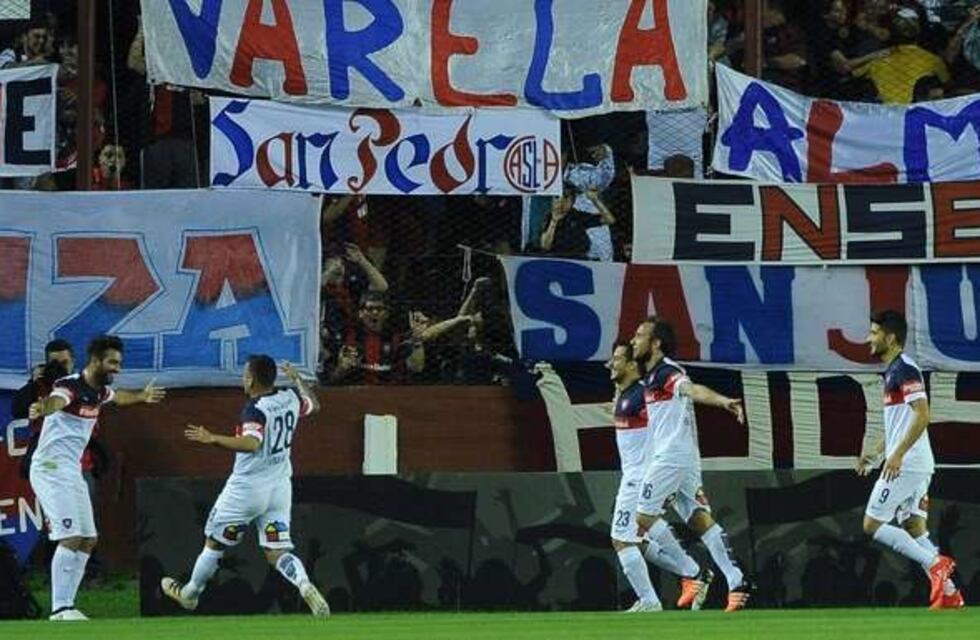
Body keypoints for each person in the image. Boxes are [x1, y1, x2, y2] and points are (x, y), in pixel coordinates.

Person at [161, 356, 329, 617]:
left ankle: (190, 594)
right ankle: (304, 583)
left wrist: (212, 438)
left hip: (246, 491)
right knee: (277, 550)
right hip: (279, 489)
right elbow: (314, 405)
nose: (242, 379)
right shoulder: (290, 397)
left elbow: (252, 443)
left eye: (244, 375)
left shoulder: (254, 409)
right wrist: (297, 378)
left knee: (214, 543)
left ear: (251, 379)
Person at [27, 335, 166, 621]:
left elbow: (119, 398)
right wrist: (43, 407)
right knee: (71, 536)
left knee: (88, 539)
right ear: (96, 361)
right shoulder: (70, 386)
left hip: (71, 471)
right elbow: (57, 400)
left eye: (119, 363)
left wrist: (141, 397)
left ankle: (68, 606)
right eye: (112, 362)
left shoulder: (101, 392)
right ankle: (60, 608)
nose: (117, 368)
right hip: (50, 469)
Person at [630, 317, 752, 612]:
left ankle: (691, 573)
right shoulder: (651, 377)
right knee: (699, 519)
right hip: (682, 456)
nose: (634, 340)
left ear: (656, 343)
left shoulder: (667, 372)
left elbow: (692, 389)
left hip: (671, 457)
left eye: (639, 335)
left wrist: (724, 401)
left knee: (641, 519)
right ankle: (737, 581)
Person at [855, 310, 962, 609]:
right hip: (915, 462)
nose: (868, 339)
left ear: (890, 337)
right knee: (914, 526)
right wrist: (875, 451)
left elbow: (923, 414)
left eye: (874, 333)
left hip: (909, 463)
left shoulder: (905, 369)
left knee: (871, 524)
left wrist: (898, 455)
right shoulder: (893, 372)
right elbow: (899, 424)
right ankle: (951, 593)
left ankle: (936, 564)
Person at [539, 186, 615, 260]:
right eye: (557, 197)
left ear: (573, 201)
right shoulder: (549, 217)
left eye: (566, 197)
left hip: (579, 258)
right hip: (556, 258)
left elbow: (610, 220)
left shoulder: (578, 216)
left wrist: (595, 200)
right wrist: (554, 221)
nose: (561, 201)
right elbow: (545, 246)